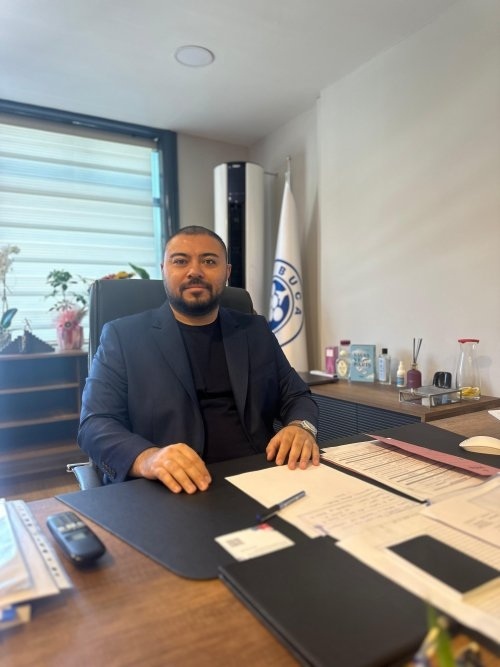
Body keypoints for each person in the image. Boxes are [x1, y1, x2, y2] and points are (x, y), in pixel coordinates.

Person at [78, 226, 319, 494]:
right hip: (173, 488)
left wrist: (301, 427)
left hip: (262, 476)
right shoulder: (123, 336)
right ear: (164, 270)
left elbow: (296, 395)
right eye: (181, 261)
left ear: (226, 272)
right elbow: (94, 424)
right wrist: (148, 458)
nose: (195, 271)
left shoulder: (255, 330)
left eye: (209, 261)